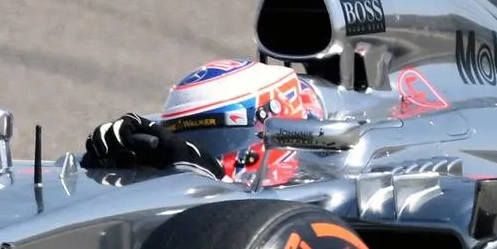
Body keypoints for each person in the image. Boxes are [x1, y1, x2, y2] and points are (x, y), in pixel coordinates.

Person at [82, 58, 325, 178]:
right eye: (184, 138)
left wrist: (211, 173)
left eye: (218, 138)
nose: (196, 152)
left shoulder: (325, 181)